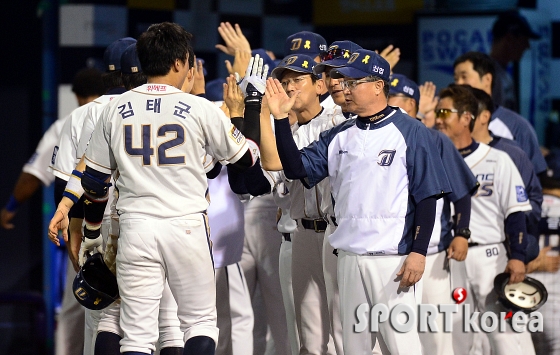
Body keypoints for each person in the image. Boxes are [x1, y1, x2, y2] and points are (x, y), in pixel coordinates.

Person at [52, 22, 261, 355]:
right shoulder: (200, 108)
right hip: (186, 226)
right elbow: (245, 159)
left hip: (135, 229)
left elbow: (95, 182)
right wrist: (243, 121)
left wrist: (92, 234)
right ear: (179, 63)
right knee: (199, 323)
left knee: (135, 335)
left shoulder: (113, 110)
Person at [269, 49, 450, 354]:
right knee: (353, 348)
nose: (344, 88)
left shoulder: (412, 131)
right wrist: (277, 119)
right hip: (349, 257)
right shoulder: (339, 134)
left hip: (393, 259)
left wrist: (418, 253)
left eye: (352, 82)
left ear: (379, 85)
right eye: (341, 80)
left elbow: (427, 196)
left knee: (400, 346)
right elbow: (295, 168)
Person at [435, 84, 535, 355]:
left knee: (507, 338)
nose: (438, 118)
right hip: (448, 261)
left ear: (466, 117)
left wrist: (518, 256)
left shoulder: (498, 160)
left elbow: (515, 213)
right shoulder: (433, 159)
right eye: (437, 112)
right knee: (457, 341)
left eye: (444, 111)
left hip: (490, 258)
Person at [388, 74, 478, 355]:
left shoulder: (434, 139)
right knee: (393, 335)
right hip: (389, 255)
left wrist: (462, 233)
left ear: (411, 105)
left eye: (392, 97)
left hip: (433, 254)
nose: (386, 102)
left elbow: (461, 192)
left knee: (435, 337)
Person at [0, 67, 103, 230]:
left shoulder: (64, 125)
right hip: (125, 217)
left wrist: (10, 207)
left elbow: (32, 175)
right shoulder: (122, 117)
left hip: (82, 221)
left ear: (76, 95)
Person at [466, 85, 542, 262]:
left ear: (484, 116)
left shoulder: (512, 153)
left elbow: (533, 203)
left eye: (467, 111)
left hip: (499, 246)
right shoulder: (449, 151)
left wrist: (511, 227)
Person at [453, 51, 547, 176]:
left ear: (487, 79)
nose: (458, 84)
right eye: (456, 79)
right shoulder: (450, 122)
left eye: (464, 77)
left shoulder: (517, 126)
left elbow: (536, 178)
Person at [490, 11, 541, 111]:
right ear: (509, 38)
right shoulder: (486, 75)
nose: (527, 46)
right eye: (524, 40)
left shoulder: (502, 74)